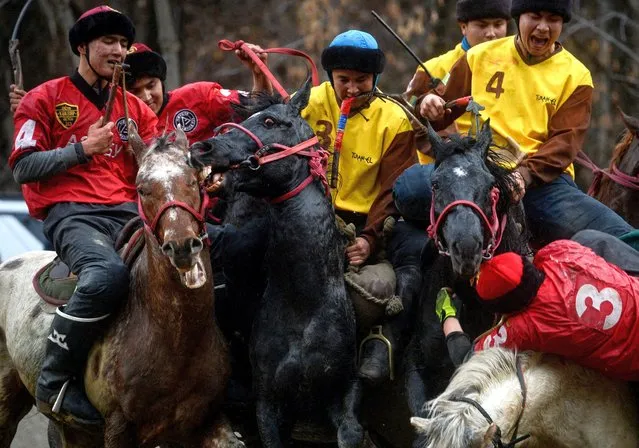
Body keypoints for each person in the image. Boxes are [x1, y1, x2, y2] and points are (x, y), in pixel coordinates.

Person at [10, 5, 158, 425]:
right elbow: (23, 166)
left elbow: (161, 163)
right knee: (107, 275)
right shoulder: (44, 98)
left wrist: (149, 154)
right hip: (74, 216)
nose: (118, 51)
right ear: (82, 46)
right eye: (108, 42)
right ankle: (53, 380)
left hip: (130, 214)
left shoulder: (138, 110)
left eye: (124, 44)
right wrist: (82, 150)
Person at [394, 0, 634, 245]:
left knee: (620, 235)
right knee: (408, 189)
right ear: (518, 18)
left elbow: (565, 143)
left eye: (553, 19)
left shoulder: (577, 75)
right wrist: (428, 104)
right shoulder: (479, 56)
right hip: (474, 172)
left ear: (562, 23)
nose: (543, 27)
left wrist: (524, 176)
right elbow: (442, 109)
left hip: (540, 183)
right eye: (535, 16)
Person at [301, 30, 419, 385]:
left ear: (376, 79)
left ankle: (370, 346)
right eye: (343, 80)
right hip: (308, 216)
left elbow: (392, 190)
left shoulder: (394, 119)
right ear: (330, 77)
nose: (352, 89)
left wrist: (368, 239)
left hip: (363, 229)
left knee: (376, 291)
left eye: (362, 80)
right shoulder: (308, 100)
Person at [436, 237, 639, 381]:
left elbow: (466, 359)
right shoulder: (561, 250)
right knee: (589, 237)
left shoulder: (524, 327)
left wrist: (447, 313)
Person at [404, 0, 512, 164]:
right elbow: (407, 114)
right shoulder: (432, 68)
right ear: (463, 27)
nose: (491, 33)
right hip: (443, 167)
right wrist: (424, 105)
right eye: (482, 25)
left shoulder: (517, 67)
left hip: (502, 164)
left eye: (498, 25)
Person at [124, 41, 272, 140]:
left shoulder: (198, 96)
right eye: (134, 91)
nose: (146, 96)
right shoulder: (118, 128)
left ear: (161, 82)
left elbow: (258, 107)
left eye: (151, 85)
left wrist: (258, 72)